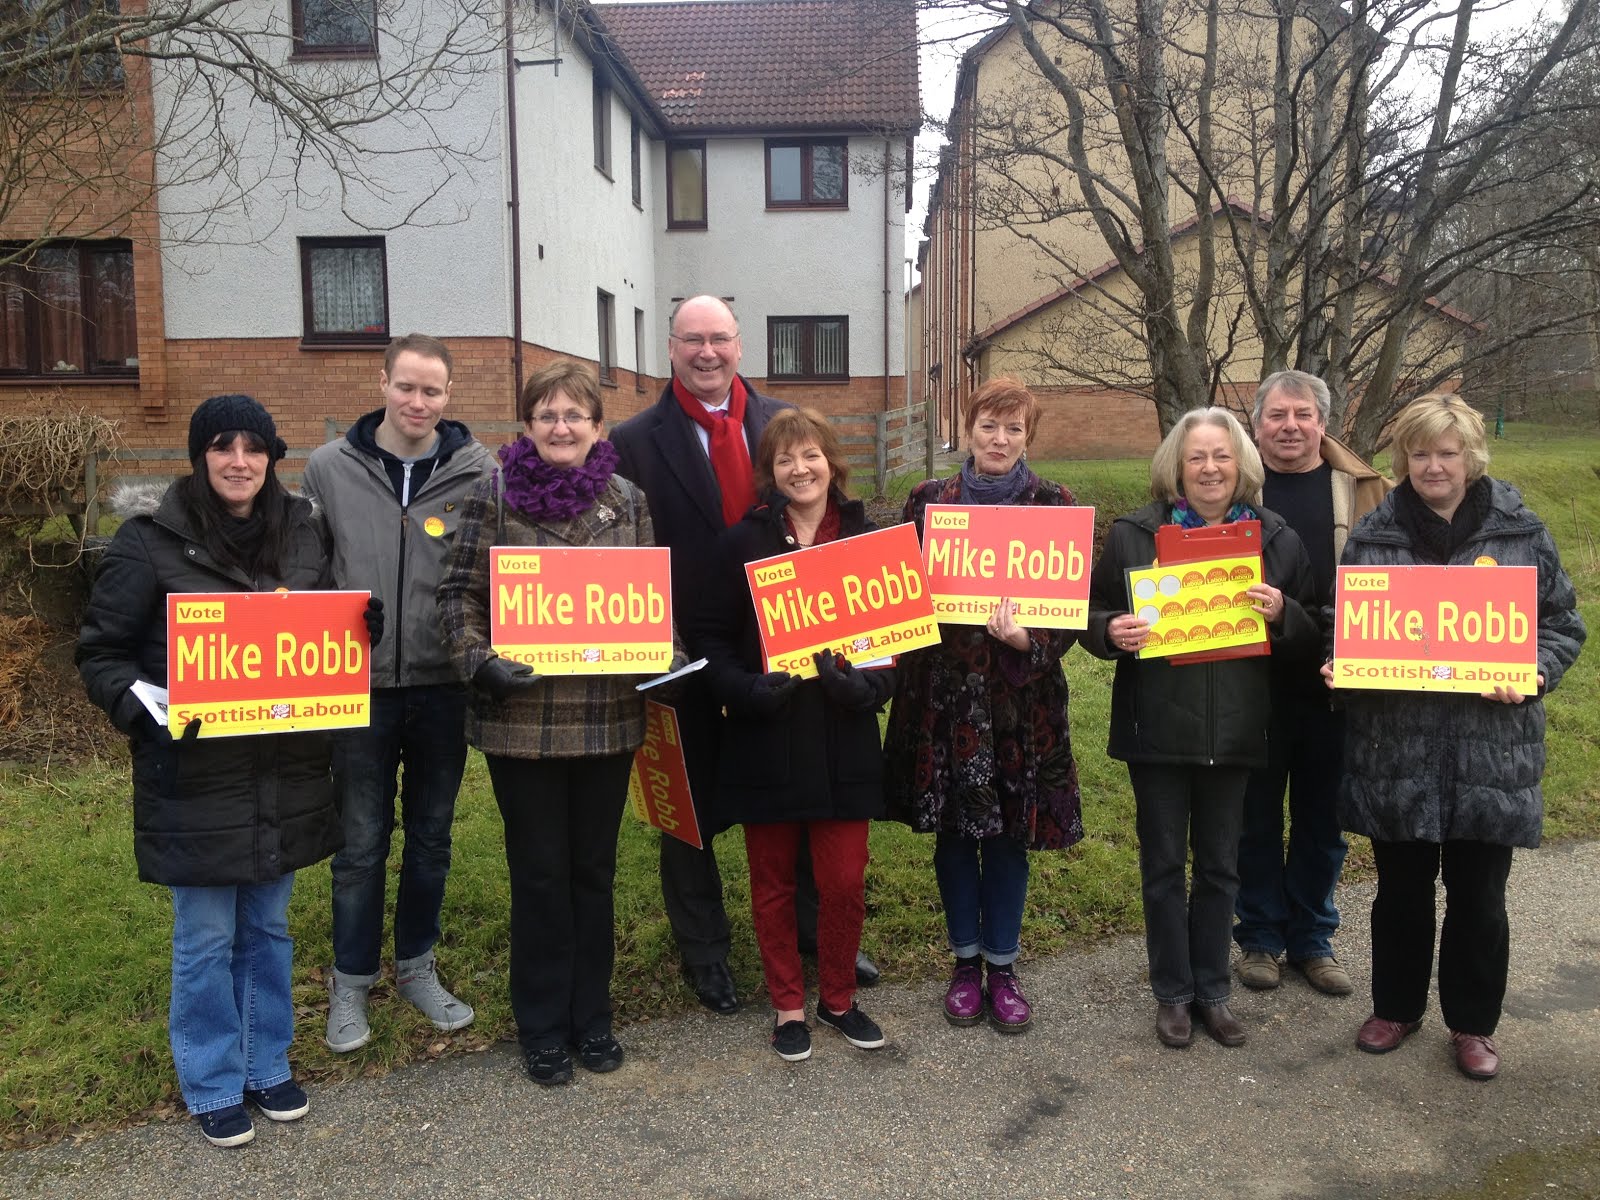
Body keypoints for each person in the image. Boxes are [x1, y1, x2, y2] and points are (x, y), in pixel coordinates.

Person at [77, 395, 373, 1147]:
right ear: (199, 455)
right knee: (206, 936)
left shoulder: (305, 531)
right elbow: (101, 652)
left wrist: (354, 627)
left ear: (272, 455)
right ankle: (212, 1078)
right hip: (197, 775)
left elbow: (322, 626)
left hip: (287, 767)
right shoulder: (147, 543)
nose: (238, 460)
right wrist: (141, 710)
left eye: (253, 446)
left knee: (269, 929)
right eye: (221, 445)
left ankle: (265, 1060)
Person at [612, 295, 878, 1014]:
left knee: (797, 794)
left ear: (739, 346)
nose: (707, 353)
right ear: (670, 348)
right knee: (691, 815)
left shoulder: (783, 424)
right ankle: (706, 953)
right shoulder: (634, 440)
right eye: (692, 341)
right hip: (687, 657)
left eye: (720, 340)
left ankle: (820, 936)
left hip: (790, 659)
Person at [1328, 394, 1584, 1081]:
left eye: (1447, 453)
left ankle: (1473, 1024)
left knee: (1480, 897)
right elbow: (1342, 623)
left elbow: (1562, 625)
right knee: (1401, 893)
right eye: (1420, 453)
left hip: (1490, 748)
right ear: (1402, 459)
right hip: (1397, 747)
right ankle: (1396, 1008)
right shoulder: (1374, 535)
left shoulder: (1521, 531)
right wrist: (1339, 661)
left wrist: (1533, 671)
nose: (1433, 466)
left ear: (1472, 457)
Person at [438, 360, 678, 1085]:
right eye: (547, 414)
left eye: (574, 414)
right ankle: (541, 1024)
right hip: (523, 722)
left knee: (592, 874)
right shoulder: (493, 494)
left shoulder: (628, 500)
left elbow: (649, 601)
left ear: (598, 427)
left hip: (606, 716)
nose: (561, 426)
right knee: (539, 876)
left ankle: (591, 1017)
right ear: (527, 426)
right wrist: (478, 662)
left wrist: (669, 654)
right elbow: (455, 597)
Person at [1085, 407, 1317, 1050]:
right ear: (1176, 467)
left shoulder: (1276, 539)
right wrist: (1109, 630)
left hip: (1238, 730)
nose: (1210, 468)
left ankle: (1214, 989)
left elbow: (1317, 627)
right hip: (1158, 725)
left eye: (1221, 456)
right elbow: (1091, 610)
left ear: (1240, 464)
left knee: (1220, 867)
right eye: (1197, 457)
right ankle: (1172, 993)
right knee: (1163, 866)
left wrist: (1284, 613)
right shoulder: (1135, 532)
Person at [302, 333, 492, 1053]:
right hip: (360, 685)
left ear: (449, 397)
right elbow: (305, 569)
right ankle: (350, 983)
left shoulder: (480, 470)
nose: (418, 402)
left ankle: (416, 967)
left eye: (433, 391)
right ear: (382, 381)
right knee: (358, 843)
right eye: (406, 386)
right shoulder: (328, 467)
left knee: (433, 838)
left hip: (445, 684)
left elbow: (495, 572)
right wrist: (336, 611)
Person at [882, 377, 1084, 1034]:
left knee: (1005, 840)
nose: (999, 440)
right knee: (951, 834)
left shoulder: (1054, 504)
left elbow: (1072, 614)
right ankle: (964, 964)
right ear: (967, 430)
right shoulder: (926, 501)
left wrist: (1032, 638)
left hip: (1016, 704)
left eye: (1014, 429)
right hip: (943, 699)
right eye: (988, 427)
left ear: (1029, 436)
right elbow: (892, 591)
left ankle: (1003, 965)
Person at [690, 407, 892, 1061]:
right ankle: (786, 1008)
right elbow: (710, 641)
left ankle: (837, 999)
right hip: (766, 739)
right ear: (770, 475)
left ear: (833, 463)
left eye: (811, 456)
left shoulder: (869, 542)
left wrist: (861, 687)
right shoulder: (738, 545)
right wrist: (744, 689)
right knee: (773, 882)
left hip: (846, 741)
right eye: (785, 460)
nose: (799, 469)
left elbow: (897, 649)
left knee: (841, 882)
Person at [1234, 370, 1390, 996]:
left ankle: (1314, 938)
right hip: (1252, 679)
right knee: (1255, 816)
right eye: (1277, 415)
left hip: (1335, 680)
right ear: (1258, 424)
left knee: (1324, 820)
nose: (1291, 426)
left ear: (1325, 424)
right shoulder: (1232, 485)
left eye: (1303, 415)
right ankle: (1261, 938)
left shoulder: (1363, 490)